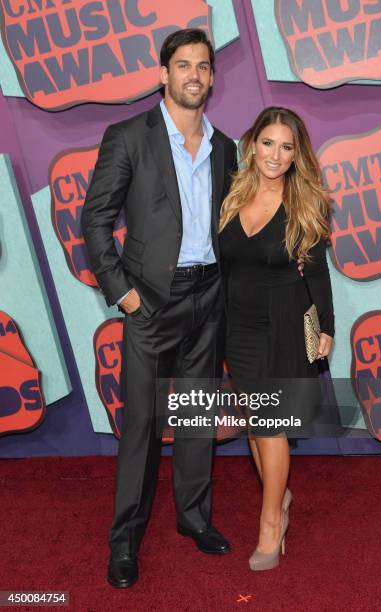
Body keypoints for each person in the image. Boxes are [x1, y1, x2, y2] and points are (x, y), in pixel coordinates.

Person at [81, 29, 237, 588]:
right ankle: (124, 540)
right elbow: (94, 221)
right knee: (143, 424)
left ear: (213, 77)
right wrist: (123, 294)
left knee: (196, 417)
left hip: (209, 298)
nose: (193, 74)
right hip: (149, 302)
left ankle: (194, 519)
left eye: (202, 65)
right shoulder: (128, 137)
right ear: (164, 74)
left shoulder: (227, 148)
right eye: (182, 64)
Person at [219, 107, 335, 571]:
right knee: (254, 421)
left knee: (270, 425)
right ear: (253, 144)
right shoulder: (231, 194)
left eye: (287, 147)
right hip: (236, 326)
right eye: (268, 143)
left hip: (283, 324)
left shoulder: (305, 202)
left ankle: (271, 522)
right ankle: (278, 490)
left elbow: (320, 271)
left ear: (296, 154)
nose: (275, 154)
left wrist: (325, 327)